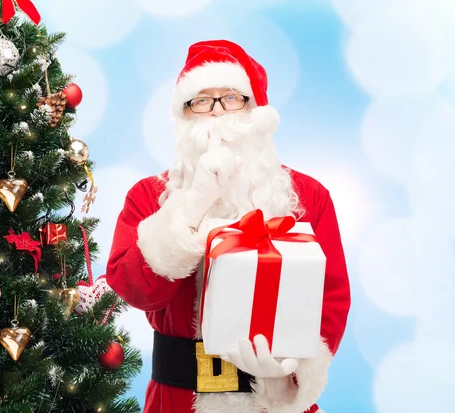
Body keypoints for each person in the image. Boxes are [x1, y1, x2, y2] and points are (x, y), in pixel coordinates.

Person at [106, 39, 351, 413]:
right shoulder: (149, 196)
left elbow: (331, 299)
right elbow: (135, 289)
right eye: (202, 100)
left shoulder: (307, 196)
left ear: (255, 110)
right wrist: (193, 202)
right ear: (185, 114)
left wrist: (290, 380)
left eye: (232, 97)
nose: (218, 112)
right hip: (177, 400)